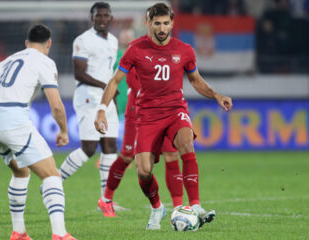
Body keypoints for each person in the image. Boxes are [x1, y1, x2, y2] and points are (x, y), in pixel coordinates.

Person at [95, 3, 232, 230]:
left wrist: (216, 95)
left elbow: (195, 80)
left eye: (165, 23)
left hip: (175, 110)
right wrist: (101, 108)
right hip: (147, 115)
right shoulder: (136, 49)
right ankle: (157, 207)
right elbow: (115, 80)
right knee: (144, 170)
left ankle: (195, 205)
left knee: (186, 143)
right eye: (157, 23)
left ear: (172, 23)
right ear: (148, 23)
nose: (161, 28)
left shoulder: (184, 50)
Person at [0, 24, 76, 240]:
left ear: (26, 43)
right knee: (51, 175)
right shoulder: (44, 61)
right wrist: (63, 130)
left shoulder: (5, 62)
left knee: (21, 172)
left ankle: (19, 233)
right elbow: (56, 105)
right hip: (13, 121)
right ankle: (60, 235)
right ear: (49, 44)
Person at [97, 8, 184, 220]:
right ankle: (106, 199)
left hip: (162, 112)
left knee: (172, 154)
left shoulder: (155, 53)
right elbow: (120, 82)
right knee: (127, 156)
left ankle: (179, 207)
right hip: (137, 112)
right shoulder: (133, 55)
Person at [59, 2, 124, 209]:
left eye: (106, 15)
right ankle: (53, 183)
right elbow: (79, 73)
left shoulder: (113, 41)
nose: (102, 19)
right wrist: (106, 85)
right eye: (98, 15)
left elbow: (109, 71)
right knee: (88, 148)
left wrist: (111, 92)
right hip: (88, 97)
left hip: (106, 97)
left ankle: (106, 201)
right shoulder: (83, 40)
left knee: (110, 146)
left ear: (111, 18)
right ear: (92, 17)